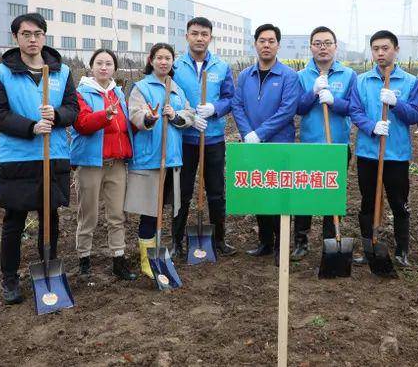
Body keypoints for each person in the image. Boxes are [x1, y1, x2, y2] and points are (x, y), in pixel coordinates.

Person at [0, 13, 79, 304]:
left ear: (44, 37)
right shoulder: (3, 72)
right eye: (26, 34)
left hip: (55, 155)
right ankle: (10, 279)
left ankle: (48, 271)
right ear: (16, 38)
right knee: (14, 219)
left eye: (37, 33)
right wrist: (30, 127)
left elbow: (73, 107)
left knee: (50, 217)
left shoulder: (61, 72)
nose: (32, 39)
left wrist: (59, 115)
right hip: (19, 157)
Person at [349, 30, 418, 267]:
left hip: (396, 154)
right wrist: (372, 126)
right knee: (368, 201)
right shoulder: (361, 81)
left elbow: (415, 115)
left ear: (396, 50)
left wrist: (396, 103)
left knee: (399, 202)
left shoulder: (410, 81)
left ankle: (402, 251)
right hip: (368, 153)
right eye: (376, 49)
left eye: (385, 48)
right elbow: (355, 111)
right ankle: (369, 248)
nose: (380, 53)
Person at [124, 43, 196, 278]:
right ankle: (147, 260)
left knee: (164, 210)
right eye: (159, 58)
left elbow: (189, 114)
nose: (164, 62)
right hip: (150, 159)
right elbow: (135, 115)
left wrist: (175, 116)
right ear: (151, 60)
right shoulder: (141, 88)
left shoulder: (176, 89)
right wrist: (149, 117)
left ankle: (157, 254)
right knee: (149, 211)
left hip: (172, 159)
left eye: (168, 58)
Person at [232, 23, 300, 266]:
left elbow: (287, 110)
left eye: (271, 41)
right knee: (259, 192)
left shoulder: (289, 76)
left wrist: (260, 133)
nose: (267, 45)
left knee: (280, 194)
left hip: (279, 145)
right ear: (255, 44)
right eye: (262, 40)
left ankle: (282, 245)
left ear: (278, 45)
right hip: (253, 145)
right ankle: (265, 242)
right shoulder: (244, 75)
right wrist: (247, 132)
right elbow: (237, 105)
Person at [172, 17, 237, 258]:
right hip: (185, 139)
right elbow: (169, 97)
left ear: (210, 37)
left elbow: (231, 98)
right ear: (187, 36)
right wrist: (186, 116)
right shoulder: (176, 66)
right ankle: (177, 240)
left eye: (204, 34)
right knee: (184, 191)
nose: (200, 38)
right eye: (195, 33)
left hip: (213, 138)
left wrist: (215, 108)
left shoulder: (220, 66)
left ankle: (219, 239)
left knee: (216, 190)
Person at [70, 48, 137, 281]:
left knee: (117, 214)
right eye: (99, 63)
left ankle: (119, 258)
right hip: (90, 162)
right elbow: (82, 123)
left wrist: (143, 119)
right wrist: (105, 115)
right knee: (88, 214)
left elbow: (126, 126)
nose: (104, 67)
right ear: (91, 67)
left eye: (109, 63)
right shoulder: (80, 93)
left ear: (114, 68)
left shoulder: (118, 93)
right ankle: (84, 259)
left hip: (116, 163)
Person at [293, 26, 356, 260]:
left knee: (333, 194)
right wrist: (312, 93)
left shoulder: (348, 75)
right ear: (311, 47)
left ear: (335, 46)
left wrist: (334, 102)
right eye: (318, 43)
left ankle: (331, 240)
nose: (323, 47)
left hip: (337, 146)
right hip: (309, 145)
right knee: (304, 194)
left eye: (327, 43)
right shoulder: (301, 76)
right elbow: (297, 108)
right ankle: (301, 241)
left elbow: (354, 108)